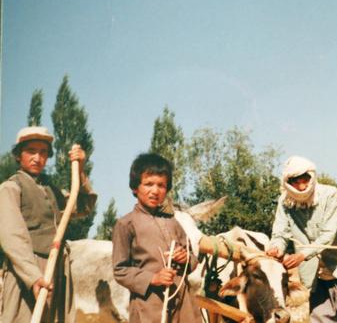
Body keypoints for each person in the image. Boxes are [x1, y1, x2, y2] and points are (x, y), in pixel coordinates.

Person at [0, 126, 97, 322]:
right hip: (27, 272)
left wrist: (80, 170)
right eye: (31, 151)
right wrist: (33, 277)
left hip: (58, 270)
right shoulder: (10, 188)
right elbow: (12, 238)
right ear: (19, 155)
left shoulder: (52, 191)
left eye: (43, 152)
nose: (37, 157)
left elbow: (83, 205)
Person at [266, 155, 337, 323]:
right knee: (321, 319)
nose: (302, 186)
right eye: (296, 181)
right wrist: (276, 248)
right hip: (315, 276)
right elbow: (280, 233)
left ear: (311, 176)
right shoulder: (285, 202)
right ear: (288, 182)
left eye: (305, 179)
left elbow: (328, 234)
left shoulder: (330, 194)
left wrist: (302, 255)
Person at [112, 153, 201, 323]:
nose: (155, 190)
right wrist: (153, 278)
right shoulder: (126, 224)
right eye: (148, 184)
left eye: (161, 185)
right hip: (149, 305)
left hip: (183, 303)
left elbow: (193, 259)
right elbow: (120, 270)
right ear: (135, 187)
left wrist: (185, 258)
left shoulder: (173, 222)